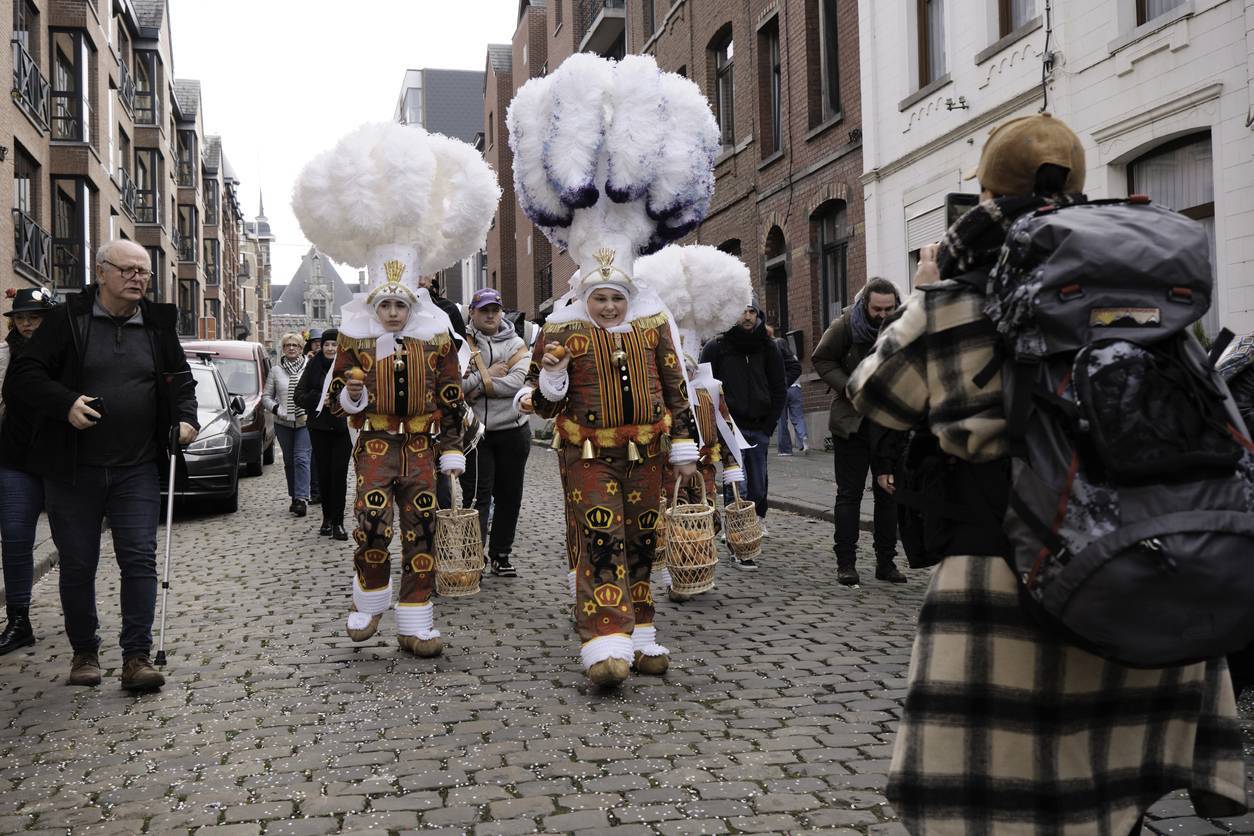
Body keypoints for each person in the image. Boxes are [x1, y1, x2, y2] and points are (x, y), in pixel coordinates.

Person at [848, 114, 1246, 834]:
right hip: (1134, 555)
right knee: (1112, 787)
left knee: (999, 784)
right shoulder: (1150, 292)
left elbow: (876, 396)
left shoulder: (958, 299)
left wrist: (923, 293)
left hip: (1002, 569)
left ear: (990, 193)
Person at [4, 239, 198, 691]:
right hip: (74, 469)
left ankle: (136, 657)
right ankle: (84, 651)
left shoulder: (157, 325)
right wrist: (66, 402)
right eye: (128, 270)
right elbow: (24, 379)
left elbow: (180, 382)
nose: (137, 278)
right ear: (101, 272)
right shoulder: (64, 321)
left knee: (139, 559)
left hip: (137, 466)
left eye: (144, 272)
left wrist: (185, 420)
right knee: (78, 564)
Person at [522, 255, 698, 687]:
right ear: (586, 299)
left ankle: (641, 632)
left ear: (627, 299)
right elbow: (542, 405)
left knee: (641, 540)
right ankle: (605, 639)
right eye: (599, 298)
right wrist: (553, 376)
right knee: (602, 537)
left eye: (615, 298)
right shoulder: (560, 331)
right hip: (588, 455)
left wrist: (684, 446)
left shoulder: (651, 327)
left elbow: (676, 387)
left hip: (646, 452)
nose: (608, 307)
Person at [332, 276, 465, 658]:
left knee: (421, 529)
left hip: (421, 445)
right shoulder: (355, 341)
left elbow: (451, 397)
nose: (392, 313)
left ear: (412, 308)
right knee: (372, 521)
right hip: (377, 443)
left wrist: (452, 450)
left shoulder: (436, 341)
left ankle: (415, 618)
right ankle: (370, 600)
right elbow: (335, 400)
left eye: (400, 306)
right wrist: (352, 394)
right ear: (375, 308)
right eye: (385, 306)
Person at [812, 278, 904, 586]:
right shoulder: (846, 325)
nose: (883, 314)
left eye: (889, 308)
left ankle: (886, 562)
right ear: (865, 304)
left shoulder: (905, 325)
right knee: (849, 495)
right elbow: (821, 358)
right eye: (877, 308)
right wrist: (849, 387)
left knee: (889, 495)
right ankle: (846, 563)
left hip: (889, 422)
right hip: (852, 423)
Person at [0, 287, 58, 655]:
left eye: (33, 317)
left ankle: (82, 622)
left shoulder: (67, 354)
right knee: (16, 536)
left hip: (59, 458)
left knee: (75, 541)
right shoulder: (5, 355)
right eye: (20, 317)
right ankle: (19, 619)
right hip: (16, 458)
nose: (25, 324)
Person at [460, 288, 530, 577]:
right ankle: (473, 555)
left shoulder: (516, 344)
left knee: (510, 495)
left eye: (495, 310)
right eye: (483, 310)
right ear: (473, 313)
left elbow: (516, 383)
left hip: (513, 430)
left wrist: (479, 384)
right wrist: (488, 374)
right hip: (477, 433)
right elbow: (457, 386)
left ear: (501, 312)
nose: (490, 315)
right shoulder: (461, 345)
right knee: (478, 496)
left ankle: (501, 553)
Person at [699, 300, 785, 535]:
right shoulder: (717, 346)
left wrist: (769, 425)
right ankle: (735, 524)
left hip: (759, 426)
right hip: (729, 426)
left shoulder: (769, 347)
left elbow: (779, 387)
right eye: (742, 311)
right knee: (736, 480)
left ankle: (758, 516)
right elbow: (704, 386)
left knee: (758, 482)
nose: (747, 317)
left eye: (752, 312)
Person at [295, 328, 350, 540]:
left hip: (342, 430)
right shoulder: (313, 366)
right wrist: (320, 399)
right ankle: (326, 519)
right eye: (327, 344)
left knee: (339, 476)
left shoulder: (346, 366)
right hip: (319, 429)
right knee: (324, 476)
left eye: (334, 345)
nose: (330, 348)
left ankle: (339, 522)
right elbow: (299, 395)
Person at [262, 333, 311, 517]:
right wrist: (277, 409)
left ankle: (301, 499)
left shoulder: (308, 368)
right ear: (283, 348)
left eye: (295, 345)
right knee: (290, 461)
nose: (291, 348)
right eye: (288, 345)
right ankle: (294, 496)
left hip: (304, 422)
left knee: (301, 458)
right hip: (283, 423)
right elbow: (266, 397)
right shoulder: (276, 371)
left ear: (301, 348)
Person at [771, 328, 806, 456]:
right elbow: (796, 369)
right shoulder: (793, 356)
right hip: (796, 388)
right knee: (798, 417)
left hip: (783, 390)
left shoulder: (775, 356)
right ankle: (803, 439)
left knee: (782, 420)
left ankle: (785, 449)